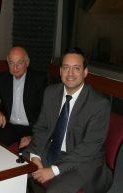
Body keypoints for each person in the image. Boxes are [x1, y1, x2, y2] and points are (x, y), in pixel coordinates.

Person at [24, 48, 113, 193]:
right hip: (51, 150)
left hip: (84, 161)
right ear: (60, 71)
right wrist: (35, 156)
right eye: (66, 68)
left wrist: (53, 170)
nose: (70, 73)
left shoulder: (99, 104)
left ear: (85, 72)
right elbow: (41, 128)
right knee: (12, 171)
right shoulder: (51, 92)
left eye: (76, 68)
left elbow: (89, 147)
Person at [0, 46, 47, 148]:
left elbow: (48, 113)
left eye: (19, 63)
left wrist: (34, 136)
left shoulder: (39, 80)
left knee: (26, 157)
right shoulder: (3, 78)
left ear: (27, 63)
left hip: (32, 128)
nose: (15, 68)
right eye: (11, 63)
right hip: (9, 126)